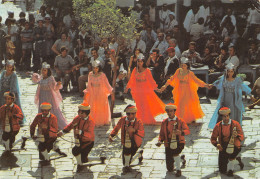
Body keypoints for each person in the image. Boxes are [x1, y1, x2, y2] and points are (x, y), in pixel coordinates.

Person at [159, 57, 210, 124]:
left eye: (184, 65)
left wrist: (206, 85)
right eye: (182, 65)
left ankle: (185, 118)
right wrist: (165, 85)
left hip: (187, 91)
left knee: (185, 104)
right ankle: (180, 117)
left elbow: (197, 81)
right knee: (179, 103)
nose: (183, 67)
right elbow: (172, 79)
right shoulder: (178, 71)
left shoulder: (190, 73)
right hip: (179, 90)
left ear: (187, 66)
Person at [58, 103, 106, 172]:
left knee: (79, 154)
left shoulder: (91, 121)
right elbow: (70, 126)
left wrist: (80, 132)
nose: (77, 112)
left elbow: (90, 134)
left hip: (88, 142)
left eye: (79, 111)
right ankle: (96, 160)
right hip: (79, 141)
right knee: (79, 154)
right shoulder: (77, 118)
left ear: (84, 113)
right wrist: (62, 132)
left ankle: (81, 164)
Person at [208, 63, 252, 129]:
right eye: (228, 71)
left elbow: (244, 86)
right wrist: (212, 85)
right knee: (224, 113)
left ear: (234, 72)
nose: (230, 73)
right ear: (226, 72)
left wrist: (251, 95)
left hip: (234, 100)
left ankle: (233, 128)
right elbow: (217, 82)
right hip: (225, 99)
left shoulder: (237, 80)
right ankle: (225, 129)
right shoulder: (223, 79)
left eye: (231, 71)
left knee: (232, 113)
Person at [124, 55, 165, 125]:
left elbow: (151, 80)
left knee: (145, 105)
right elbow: (131, 80)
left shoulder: (147, 70)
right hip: (137, 90)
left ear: (143, 62)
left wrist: (156, 88)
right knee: (139, 104)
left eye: (141, 62)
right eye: (138, 62)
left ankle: (147, 119)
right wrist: (127, 87)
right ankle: (140, 119)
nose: (139, 63)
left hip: (145, 90)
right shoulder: (135, 70)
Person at [156, 104, 190, 176]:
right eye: (167, 111)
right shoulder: (164, 122)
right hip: (168, 144)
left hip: (179, 142)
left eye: (171, 111)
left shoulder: (180, 121)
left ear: (174, 111)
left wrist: (181, 132)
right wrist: (159, 141)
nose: (169, 113)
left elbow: (187, 131)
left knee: (175, 154)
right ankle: (181, 159)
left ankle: (178, 170)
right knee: (170, 169)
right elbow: (161, 134)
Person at [109, 105, 145, 173]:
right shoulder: (122, 119)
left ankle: (130, 162)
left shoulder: (139, 122)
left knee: (128, 160)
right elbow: (116, 128)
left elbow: (142, 133)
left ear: (135, 113)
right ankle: (130, 162)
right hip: (125, 142)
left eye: (132, 113)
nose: (130, 115)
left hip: (135, 143)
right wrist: (111, 135)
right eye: (128, 113)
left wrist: (134, 130)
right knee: (126, 161)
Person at [32, 62, 67, 130]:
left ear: (48, 71)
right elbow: (35, 80)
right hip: (42, 96)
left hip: (49, 97)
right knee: (42, 109)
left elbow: (55, 87)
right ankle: (42, 124)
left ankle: (52, 124)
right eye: (42, 70)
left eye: (45, 70)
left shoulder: (51, 78)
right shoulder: (41, 78)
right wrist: (33, 75)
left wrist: (58, 85)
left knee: (51, 110)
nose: (43, 72)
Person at [211, 107, 244, 176]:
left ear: (229, 116)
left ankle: (231, 169)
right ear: (221, 117)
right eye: (224, 117)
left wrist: (237, 135)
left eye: (227, 116)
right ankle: (236, 158)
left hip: (234, 145)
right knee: (222, 170)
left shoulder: (236, 124)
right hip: (223, 146)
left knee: (231, 157)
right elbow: (213, 138)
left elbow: (242, 136)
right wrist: (217, 144)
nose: (226, 118)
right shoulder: (218, 126)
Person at [83, 60, 114, 126]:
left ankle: (100, 120)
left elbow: (107, 83)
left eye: (96, 68)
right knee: (93, 106)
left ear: (99, 68)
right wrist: (86, 92)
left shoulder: (102, 75)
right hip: (93, 92)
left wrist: (111, 90)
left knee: (100, 107)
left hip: (100, 92)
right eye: (94, 68)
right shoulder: (90, 74)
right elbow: (88, 84)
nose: (95, 69)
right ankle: (93, 120)